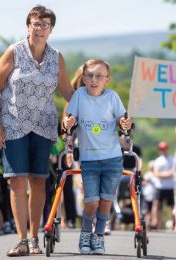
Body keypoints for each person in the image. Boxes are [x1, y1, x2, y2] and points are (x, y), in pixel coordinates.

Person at [0, 5, 73, 256]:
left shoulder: (56, 57)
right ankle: (21, 239)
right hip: (13, 123)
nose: (39, 29)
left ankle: (35, 238)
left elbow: (67, 91)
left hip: (44, 125)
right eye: (35, 24)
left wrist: (93, 103)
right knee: (16, 181)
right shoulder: (14, 52)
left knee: (39, 181)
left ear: (51, 29)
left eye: (44, 25)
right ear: (28, 26)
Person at [63, 59, 132, 255]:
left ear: (107, 79)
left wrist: (124, 123)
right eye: (90, 75)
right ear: (84, 78)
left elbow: (121, 119)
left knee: (106, 201)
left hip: (112, 158)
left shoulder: (112, 97)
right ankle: (86, 233)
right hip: (89, 158)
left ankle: (99, 237)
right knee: (91, 200)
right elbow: (71, 118)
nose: (94, 80)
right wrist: (70, 122)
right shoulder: (79, 96)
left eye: (99, 76)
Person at [153, 141, 174, 230]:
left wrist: (163, 175)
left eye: (164, 149)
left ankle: (173, 223)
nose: (163, 150)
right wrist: (167, 174)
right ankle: (158, 224)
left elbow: (173, 172)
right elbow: (156, 173)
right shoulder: (158, 161)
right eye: (161, 149)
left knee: (172, 206)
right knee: (157, 205)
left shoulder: (172, 159)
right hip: (160, 187)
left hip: (170, 187)